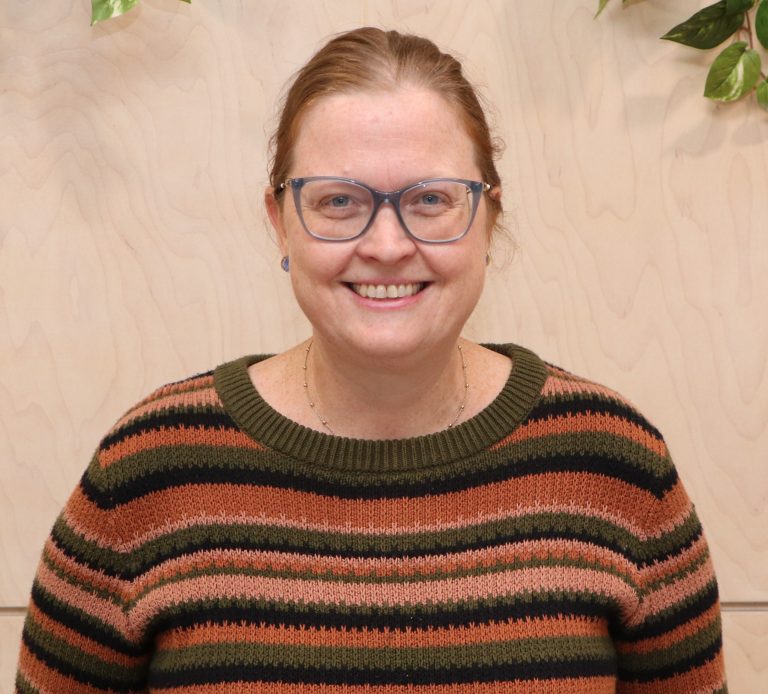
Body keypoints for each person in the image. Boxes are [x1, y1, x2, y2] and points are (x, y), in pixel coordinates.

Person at [16, 27, 727, 693]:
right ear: (280, 222)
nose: (387, 245)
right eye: (338, 201)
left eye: (430, 199)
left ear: (488, 219)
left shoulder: (614, 464)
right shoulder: (150, 468)